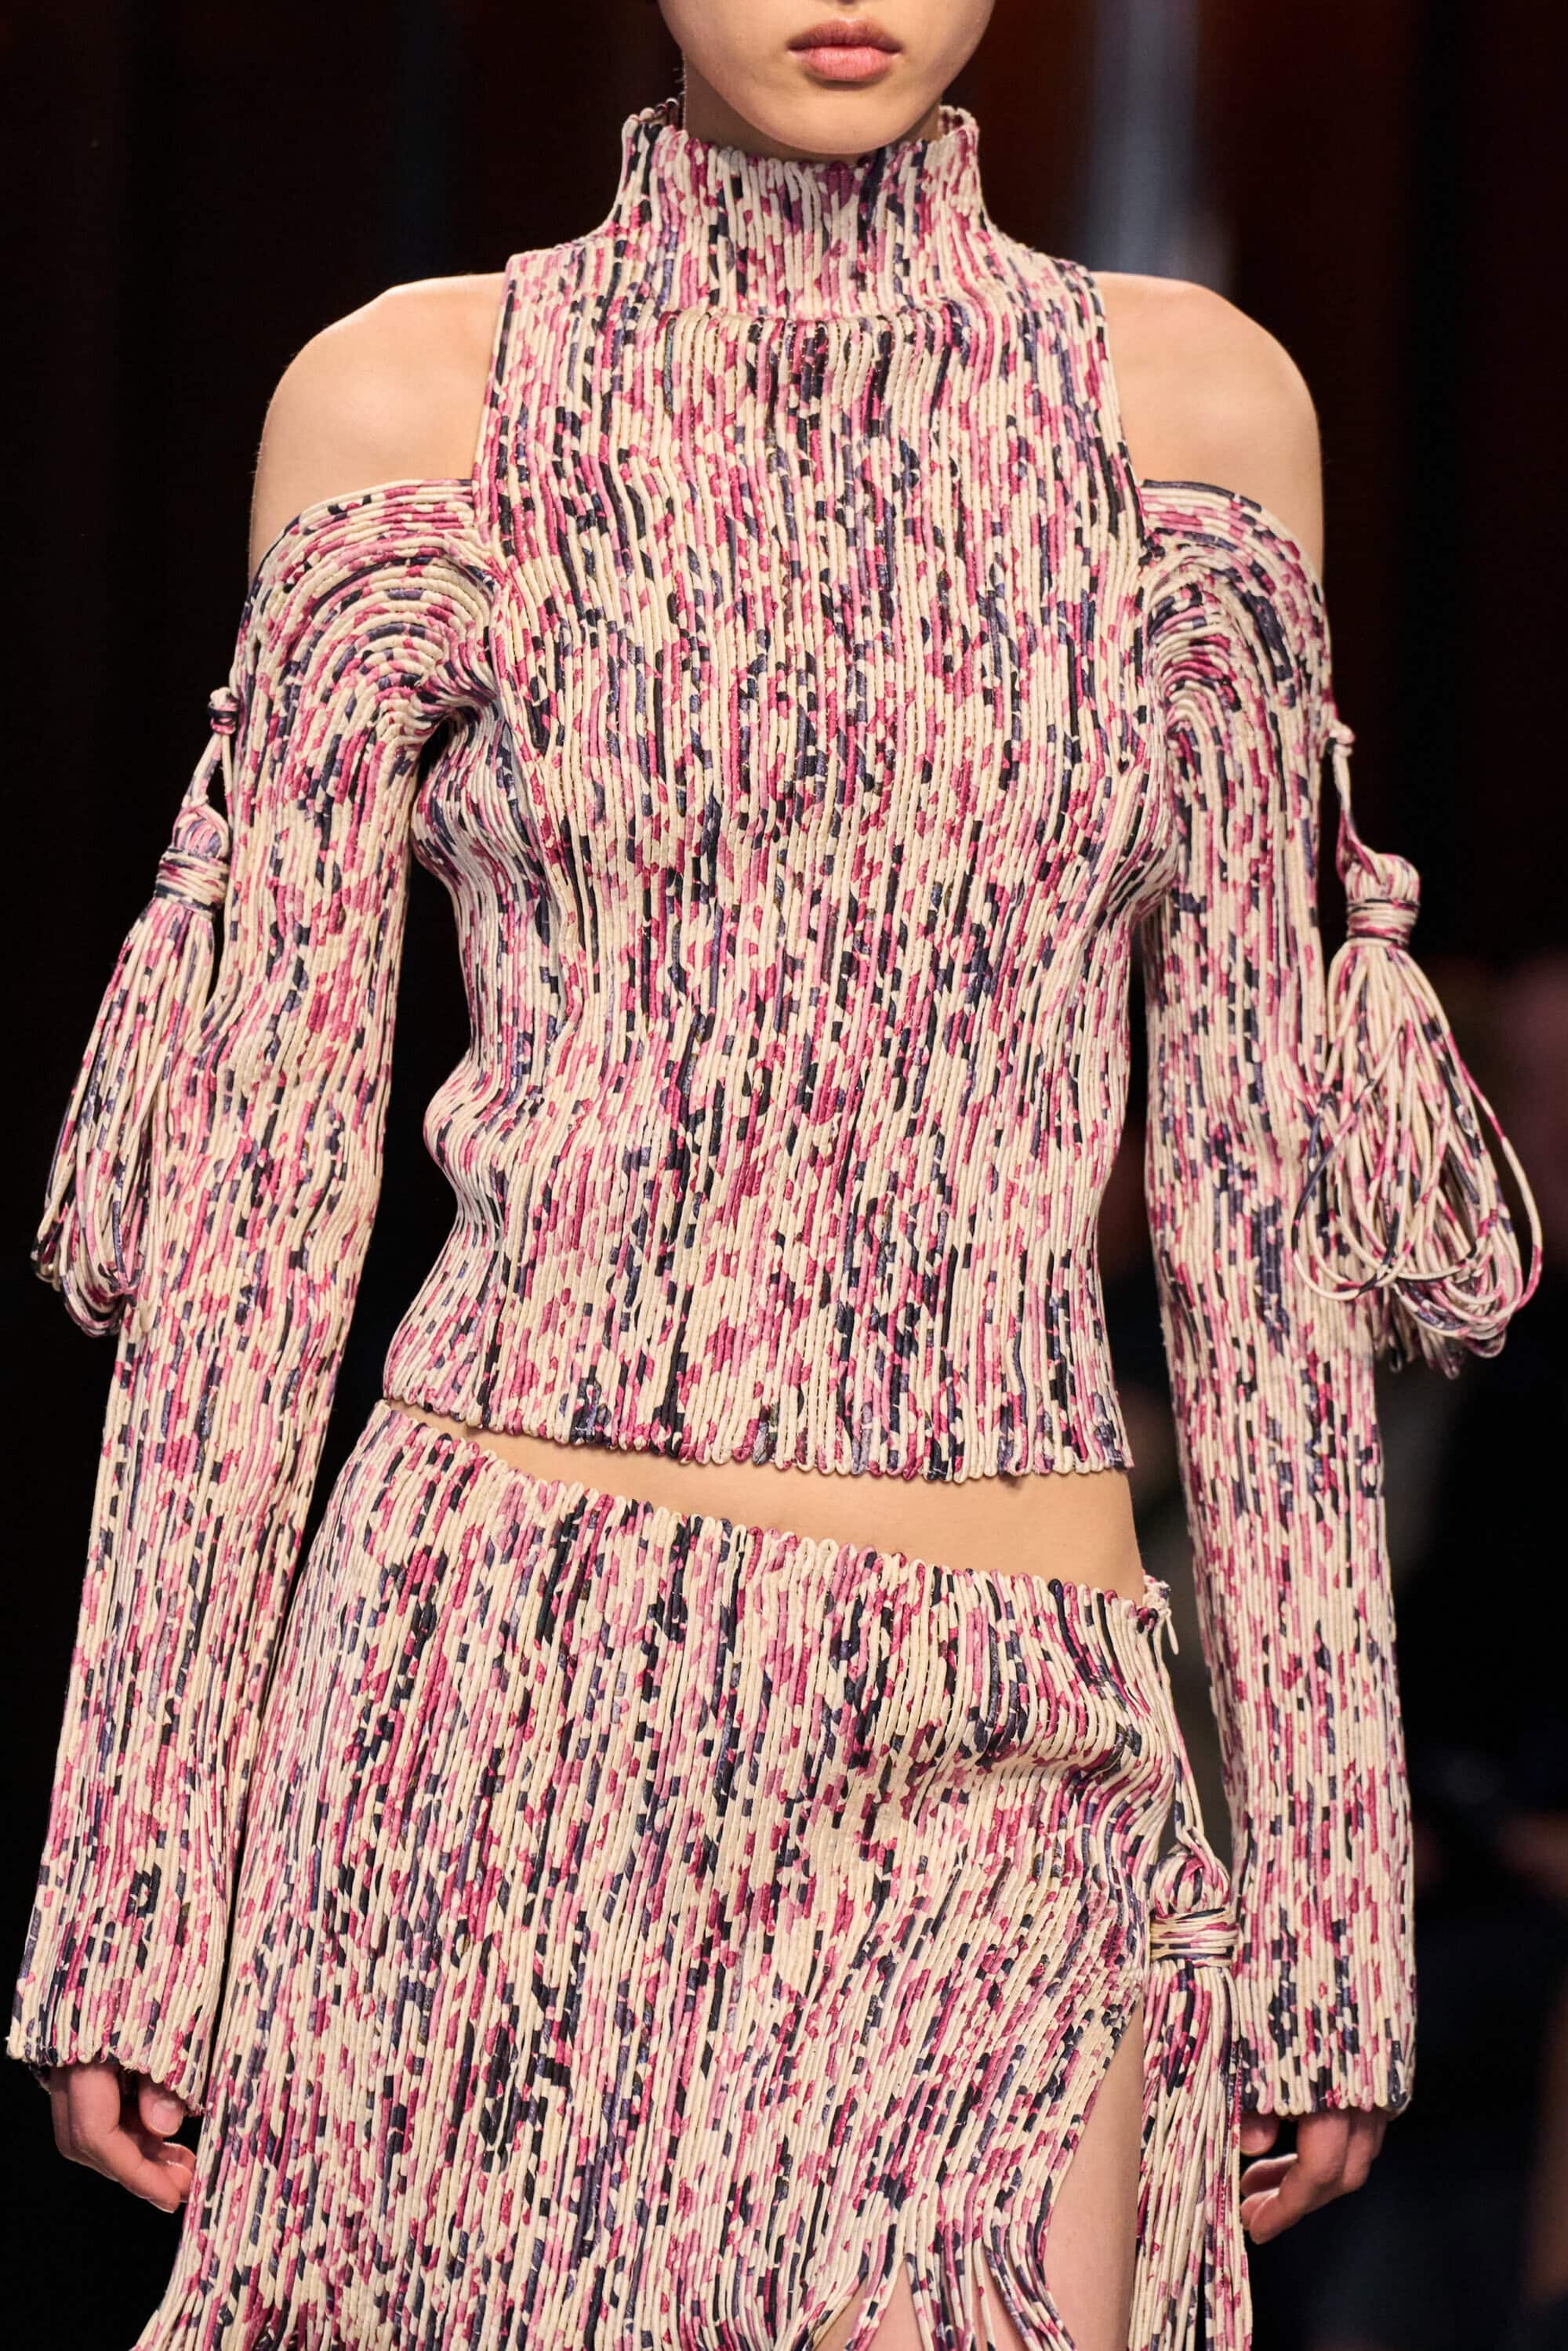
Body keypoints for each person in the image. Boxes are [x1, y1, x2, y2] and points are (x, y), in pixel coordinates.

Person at [9, 6, 1541, 2349]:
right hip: (489, 1727)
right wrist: (135, 1873)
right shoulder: (416, 406)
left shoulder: (1193, 418)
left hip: (1012, 1740)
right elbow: (254, 1215)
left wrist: (1332, 1890)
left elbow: (1257, 1229)